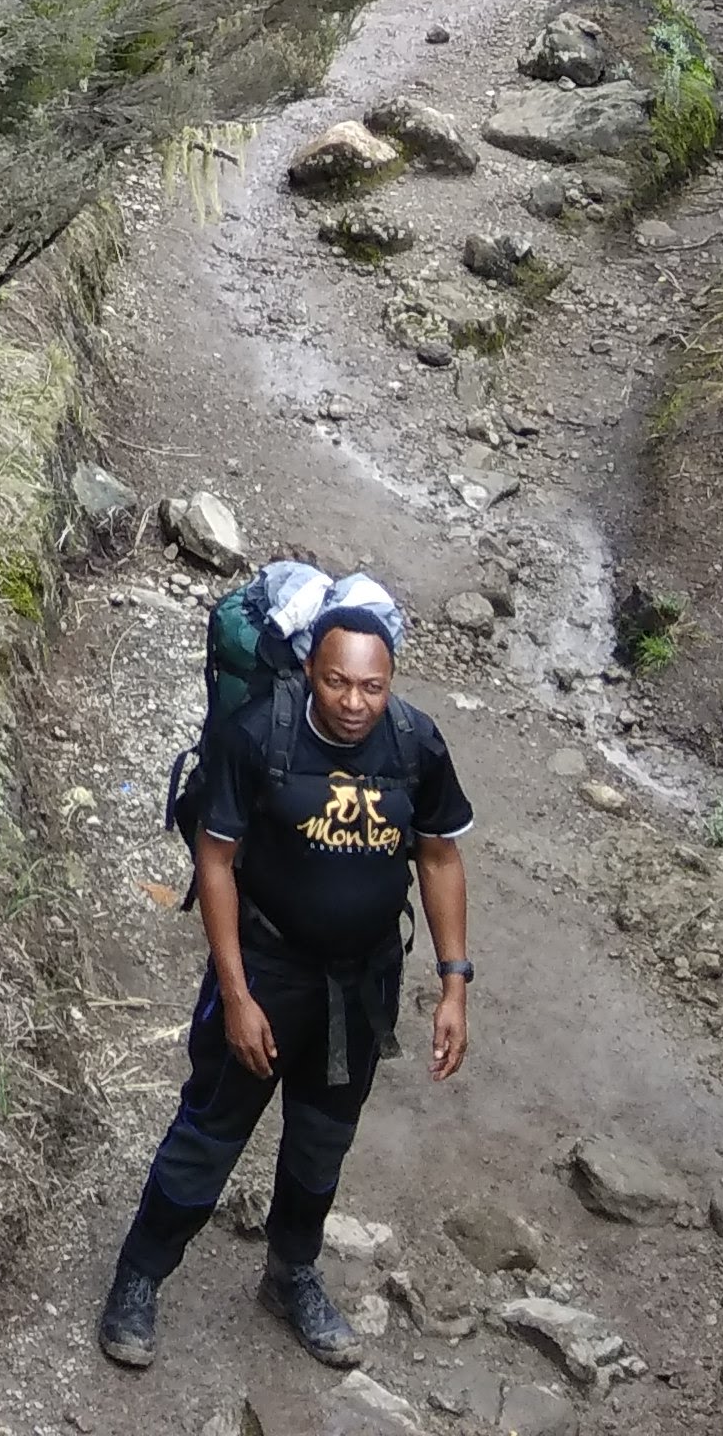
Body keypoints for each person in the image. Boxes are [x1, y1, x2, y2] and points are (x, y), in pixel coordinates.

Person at [100, 580, 472, 1373]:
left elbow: (439, 857)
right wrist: (236, 995)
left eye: (371, 686)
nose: (353, 703)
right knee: (212, 1130)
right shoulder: (258, 736)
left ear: (391, 681)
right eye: (337, 682)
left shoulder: (416, 744)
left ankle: (291, 1273)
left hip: (361, 986)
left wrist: (454, 983)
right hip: (268, 971)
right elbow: (217, 860)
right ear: (310, 672)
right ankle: (140, 1274)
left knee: (322, 1141)